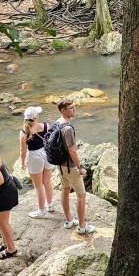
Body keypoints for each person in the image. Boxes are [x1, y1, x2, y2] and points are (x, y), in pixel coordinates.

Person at [46, 98, 95, 234]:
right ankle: (82, 226)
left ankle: (68, 220)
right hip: (70, 167)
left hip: (60, 165)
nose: (75, 109)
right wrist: (79, 167)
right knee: (81, 195)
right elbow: (72, 150)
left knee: (65, 189)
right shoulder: (67, 128)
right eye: (72, 108)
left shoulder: (56, 123)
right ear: (63, 111)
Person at [21, 106, 54, 219]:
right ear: (36, 117)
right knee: (47, 181)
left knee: (38, 186)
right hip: (47, 154)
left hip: (35, 156)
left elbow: (23, 150)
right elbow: (50, 141)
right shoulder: (46, 126)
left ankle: (41, 211)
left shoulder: (24, 132)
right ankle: (49, 205)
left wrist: (23, 162)